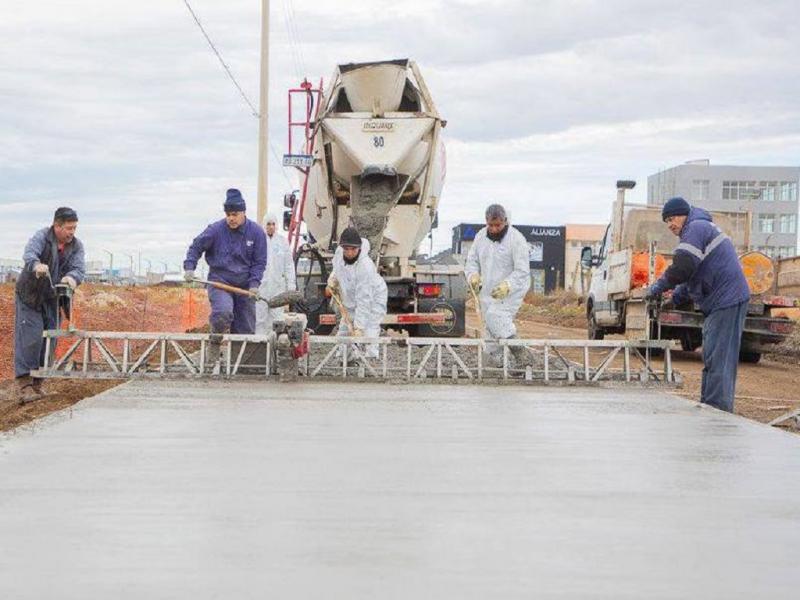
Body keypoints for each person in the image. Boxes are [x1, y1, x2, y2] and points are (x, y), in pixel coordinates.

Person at [646, 197, 750, 412]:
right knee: (712, 354)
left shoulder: (696, 227)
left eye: (671, 218)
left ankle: (717, 412)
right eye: (666, 221)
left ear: (683, 214)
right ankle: (709, 406)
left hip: (727, 299)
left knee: (719, 358)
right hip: (719, 302)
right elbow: (691, 276)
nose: (670, 225)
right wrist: (673, 299)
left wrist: (657, 287)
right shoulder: (695, 230)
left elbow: (683, 267)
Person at [183, 189, 267, 360]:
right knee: (222, 313)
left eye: (235, 214)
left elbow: (259, 262)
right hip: (220, 281)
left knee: (245, 330)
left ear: (243, 212)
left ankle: (240, 365)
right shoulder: (215, 230)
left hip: (245, 286)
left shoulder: (257, 233)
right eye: (228, 214)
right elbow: (196, 247)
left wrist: (254, 285)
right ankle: (214, 342)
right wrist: (190, 267)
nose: (231, 218)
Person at [14, 207, 85, 402]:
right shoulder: (42, 237)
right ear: (57, 226)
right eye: (69, 228)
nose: (72, 232)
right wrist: (36, 265)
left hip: (53, 299)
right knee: (31, 337)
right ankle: (25, 385)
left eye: (74, 228)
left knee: (50, 339)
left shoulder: (76, 246)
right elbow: (30, 253)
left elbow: (79, 268)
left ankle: (38, 384)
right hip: (31, 296)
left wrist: (72, 277)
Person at [464, 204, 532, 366]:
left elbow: (522, 271)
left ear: (505, 222)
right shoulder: (480, 236)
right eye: (491, 225)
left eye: (498, 225)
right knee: (490, 331)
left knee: (496, 317)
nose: (494, 229)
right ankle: (494, 366)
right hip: (487, 291)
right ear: (486, 222)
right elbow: (472, 261)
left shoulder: (516, 239)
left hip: (511, 292)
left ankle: (523, 355)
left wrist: (507, 285)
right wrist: (473, 275)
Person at [325, 226, 388, 358]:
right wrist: (332, 279)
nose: (349, 253)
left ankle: (370, 360)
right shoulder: (339, 253)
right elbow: (337, 268)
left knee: (368, 330)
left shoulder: (365, 266)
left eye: (353, 249)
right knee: (345, 328)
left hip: (374, 298)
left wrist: (359, 327)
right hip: (350, 296)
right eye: (346, 249)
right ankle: (342, 357)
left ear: (359, 248)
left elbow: (364, 300)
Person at [255, 213, 297, 335]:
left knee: (277, 319)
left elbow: (289, 266)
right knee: (260, 319)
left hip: (277, 288)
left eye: (273, 224)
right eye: (268, 224)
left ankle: (275, 348)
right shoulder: (259, 241)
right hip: (261, 288)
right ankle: (260, 347)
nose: (271, 227)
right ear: (264, 225)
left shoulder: (282, 242)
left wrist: (291, 287)